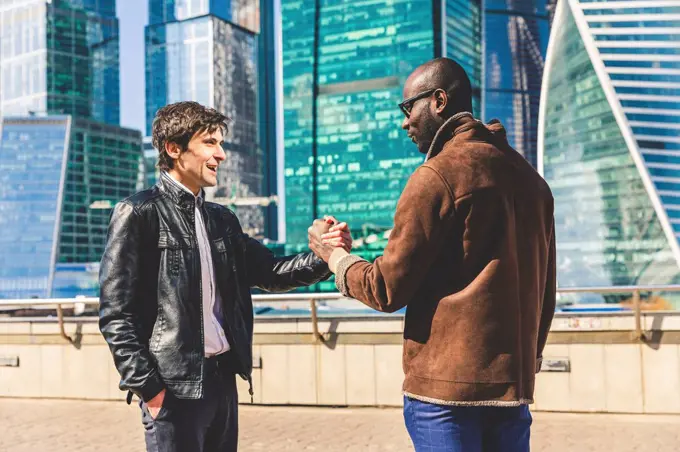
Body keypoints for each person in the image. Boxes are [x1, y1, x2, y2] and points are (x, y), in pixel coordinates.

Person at [308, 58, 556, 452]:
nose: (405, 123)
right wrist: (527, 366)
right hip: (513, 393)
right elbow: (546, 293)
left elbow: (386, 289)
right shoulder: (532, 183)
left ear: (439, 100)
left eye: (408, 108)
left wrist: (334, 255)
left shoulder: (437, 176)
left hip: (446, 398)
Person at [99, 101, 351, 452]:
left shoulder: (222, 220)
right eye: (209, 143)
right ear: (174, 149)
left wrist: (326, 256)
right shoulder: (138, 213)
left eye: (221, 143)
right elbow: (116, 316)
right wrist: (150, 390)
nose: (221, 155)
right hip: (172, 389)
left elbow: (272, 271)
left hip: (222, 382)